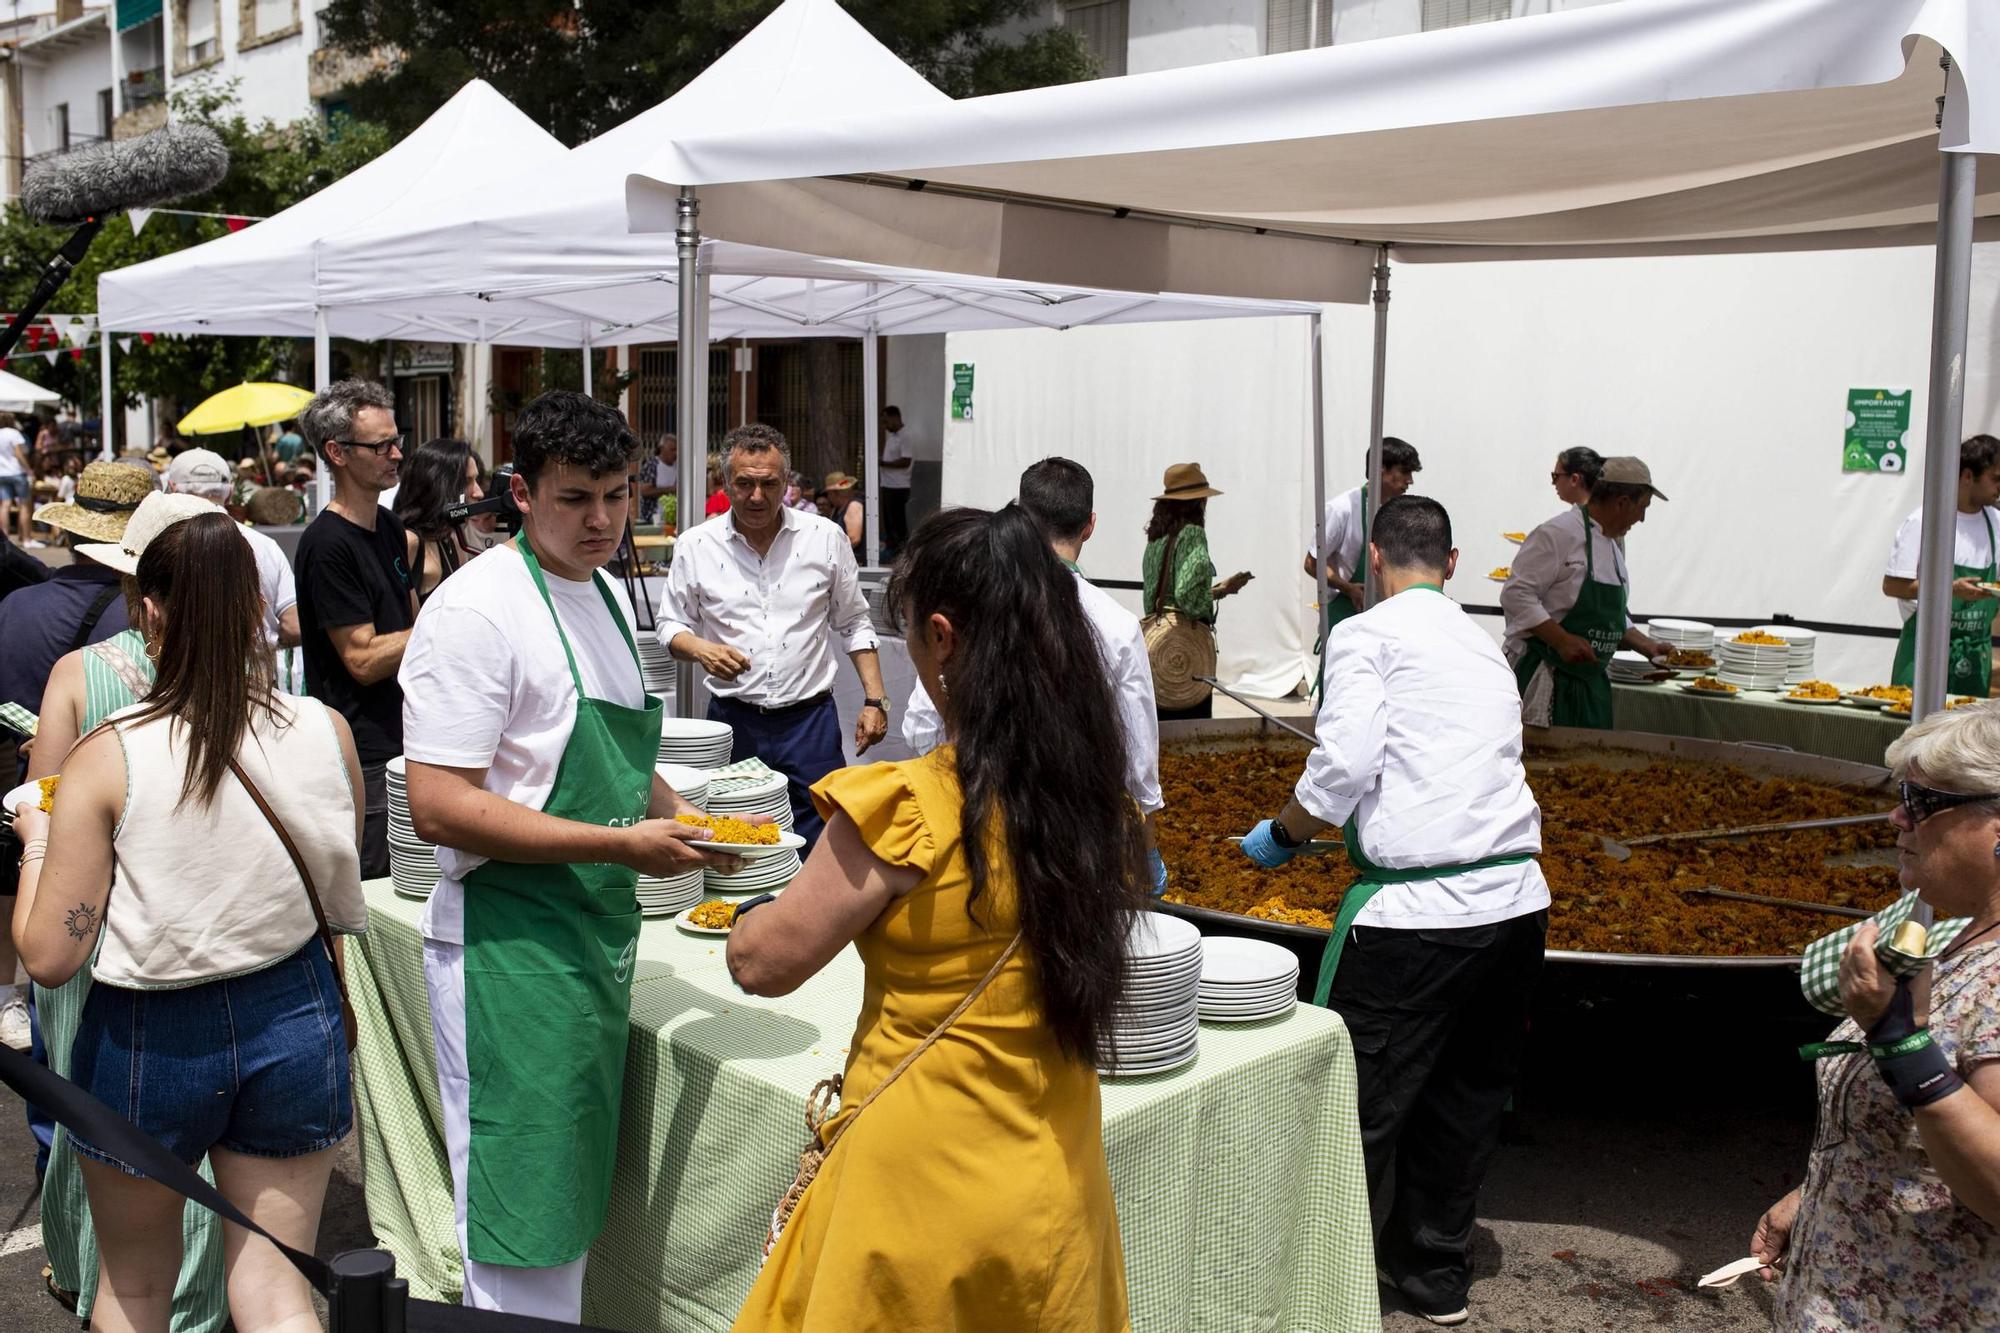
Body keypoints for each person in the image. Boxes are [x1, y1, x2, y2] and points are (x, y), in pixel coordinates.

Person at [727, 503, 1142, 1333]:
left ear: (943, 639)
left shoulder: (908, 804)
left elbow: (764, 962)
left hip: (917, 1185)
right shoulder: (1104, 808)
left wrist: (748, 908)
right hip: (1055, 1181)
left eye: (908, 634)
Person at [400, 391, 732, 1322]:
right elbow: (440, 804)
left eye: (619, 496)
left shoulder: (609, 597)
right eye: (576, 498)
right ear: (520, 492)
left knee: (571, 1193)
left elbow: (603, 762)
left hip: (591, 934)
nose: (602, 520)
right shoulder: (475, 611)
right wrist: (621, 842)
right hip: (509, 948)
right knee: (522, 1208)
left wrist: (691, 817)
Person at [9, 510, 365, 1333]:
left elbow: (48, 953)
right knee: (277, 1291)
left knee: (136, 1288)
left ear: (150, 612)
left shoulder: (112, 749)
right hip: (295, 1011)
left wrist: (35, 839)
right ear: (253, 609)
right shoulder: (323, 728)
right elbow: (326, 890)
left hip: (149, 1029)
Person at [1239, 494, 1549, 1328]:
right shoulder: (1483, 647)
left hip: (1418, 915)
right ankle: (1434, 1276)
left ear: (1372, 560)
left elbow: (1343, 765)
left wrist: (1282, 831)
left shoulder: (1363, 634)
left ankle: (1314, 1283)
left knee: (1356, 1101)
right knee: (1465, 1096)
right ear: (1452, 565)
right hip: (1517, 903)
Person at [24, 491, 229, 1331]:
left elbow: (41, 793)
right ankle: (195, 1299)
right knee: (205, 1140)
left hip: (92, 923)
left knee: (93, 1118)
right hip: (203, 924)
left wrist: (36, 833)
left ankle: (88, 1274)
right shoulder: (245, 678)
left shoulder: (81, 675)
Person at [1751, 705, 2000, 1329]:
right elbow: (1923, 1151)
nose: (1896, 815)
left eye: (1921, 799)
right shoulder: (1954, 932)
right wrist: (1821, 1194)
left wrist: (1900, 1040)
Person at [903, 457, 1168, 890]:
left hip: (972, 817)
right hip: (1075, 834)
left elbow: (921, 724)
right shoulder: (1116, 625)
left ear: (1020, 517)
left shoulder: (970, 604)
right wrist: (1145, 846)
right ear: (1090, 525)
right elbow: (1136, 751)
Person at [660, 423, 887, 847]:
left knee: (824, 837)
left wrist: (875, 699)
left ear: (787, 482)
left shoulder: (824, 538)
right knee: (733, 838)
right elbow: (670, 625)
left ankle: (814, 915)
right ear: (725, 483)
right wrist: (702, 649)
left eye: (769, 484)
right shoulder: (697, 545)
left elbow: (855, 622)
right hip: (733, 719)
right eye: (744, 484)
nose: (757, 496)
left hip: (810, 722)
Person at [295, 379, 416, 881]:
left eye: (397, 440)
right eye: (381, 445)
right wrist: (448, 617)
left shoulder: (388, 527)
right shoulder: (327, 544)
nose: (396, 454)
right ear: (337, 453)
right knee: (375, 897)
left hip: (407, 739)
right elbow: (362, 660)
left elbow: (408, 624)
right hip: (362, 756)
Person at [1502, 456, 1672, 729]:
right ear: (1622, 503)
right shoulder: (1557, 534)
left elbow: (1611, 617)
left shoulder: (1612, 545)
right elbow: (1516, 594)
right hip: (1547, 675)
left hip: (1590, 684)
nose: (1642, 519)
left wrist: (1647, 646)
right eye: (1643, 508)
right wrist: (1562, 640)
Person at [1883, 433, 2000, 695]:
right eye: (1995, 479)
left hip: (1974, 655)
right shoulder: (1925, 520)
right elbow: (1893, 586)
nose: (1999, 487)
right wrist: (1950, 588)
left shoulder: (1996, 522)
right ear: (1968, 476)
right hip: (1925, 652)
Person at [165, 448, 303, 664]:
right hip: (259, 680)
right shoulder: (267, 547)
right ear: (229, 492)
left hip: (184, 676)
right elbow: (294, 626)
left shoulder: (164, 547)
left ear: (172, 489)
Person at [1141, 462, 1253, 721]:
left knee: (1162, 728)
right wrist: (1220, 591)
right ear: (1197, 502)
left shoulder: (1156, 538)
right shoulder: (1192, 534)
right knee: (1191, 729)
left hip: (1160, 640)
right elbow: (1187, 597)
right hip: (1187, 646)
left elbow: (1154, 595)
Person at [1303, 437, 1422, 629]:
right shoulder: (1342, 509)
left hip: (1384, 615)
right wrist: (1348, 588)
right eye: (1404, 471)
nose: (1410, 480)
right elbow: (1311, 563)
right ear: (1380, 468)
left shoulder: (1398, 513)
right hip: (1345, 614)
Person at [394, 437, 488, 603]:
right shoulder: (410, 542)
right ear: (440, 484)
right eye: (467, 482)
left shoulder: (451, 540)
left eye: (476, 481)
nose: (478, 493)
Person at [878, 404, 912, 551]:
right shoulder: (893, 436)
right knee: (889, 523)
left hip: (899, 486)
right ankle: (893, 551)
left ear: (896, 417)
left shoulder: (906, 436)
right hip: (887, 484)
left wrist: (883, 463)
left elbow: (906, 461)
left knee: (898, 523)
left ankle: (902, 551)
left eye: (886, 421)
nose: (885, 426)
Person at [0, 411, 31, 546]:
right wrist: (29, 469)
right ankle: (25, 539)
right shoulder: (14, 433)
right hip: (16, 472)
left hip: (1, 473)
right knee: (24, 505)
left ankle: (5, 539)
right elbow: (18, 453)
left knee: (5, 505)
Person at [822, 469, 864, 561]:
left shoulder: (853, 506)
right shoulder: (837, 509)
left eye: (829, 494)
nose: (828, 497)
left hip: (854, 562)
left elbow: (854, 539)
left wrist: (833, 555)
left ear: (835, 493)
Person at [636, 432, 678, 526]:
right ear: (662, 449)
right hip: (652, 518)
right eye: (672, 449)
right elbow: (645, 491)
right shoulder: (652, 466)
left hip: (672, 519)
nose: (676, 453)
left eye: (677, 450)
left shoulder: (679, 467)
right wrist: (671, 489)